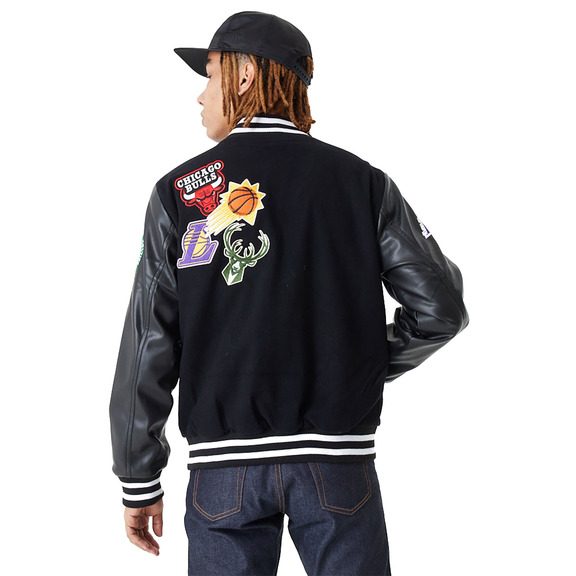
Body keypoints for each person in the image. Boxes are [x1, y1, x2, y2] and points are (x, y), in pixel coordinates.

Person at [109, 11, 469, 576]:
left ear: (245, 74)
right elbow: (440, 309)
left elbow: (148, 343)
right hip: (337, 466)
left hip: (223, 473)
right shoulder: (363, 183)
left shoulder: (177, 193)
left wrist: (138, 476)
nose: (200, 95)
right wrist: (354, 365)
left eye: (210, 75)